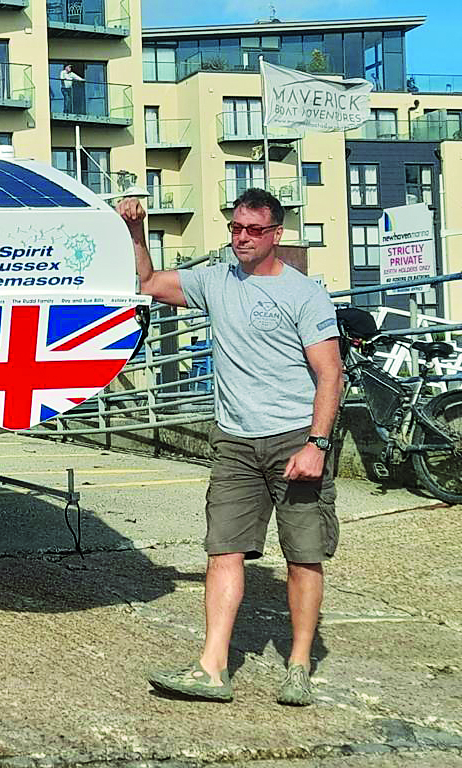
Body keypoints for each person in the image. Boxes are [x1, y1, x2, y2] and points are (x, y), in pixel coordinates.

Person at [117, 188, 343, 706]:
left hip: (294, 440)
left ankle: (299, 666)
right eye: (236, 228)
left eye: (253, 230)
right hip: (236, 442)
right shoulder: (215, 281)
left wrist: (317, 445)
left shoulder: (304, 294)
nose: (242, 238)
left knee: (303, 556)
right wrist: (136, 230)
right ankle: (212, 667)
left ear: (276, 235)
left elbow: (330, 375)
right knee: (223, 549)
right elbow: (148, 282)